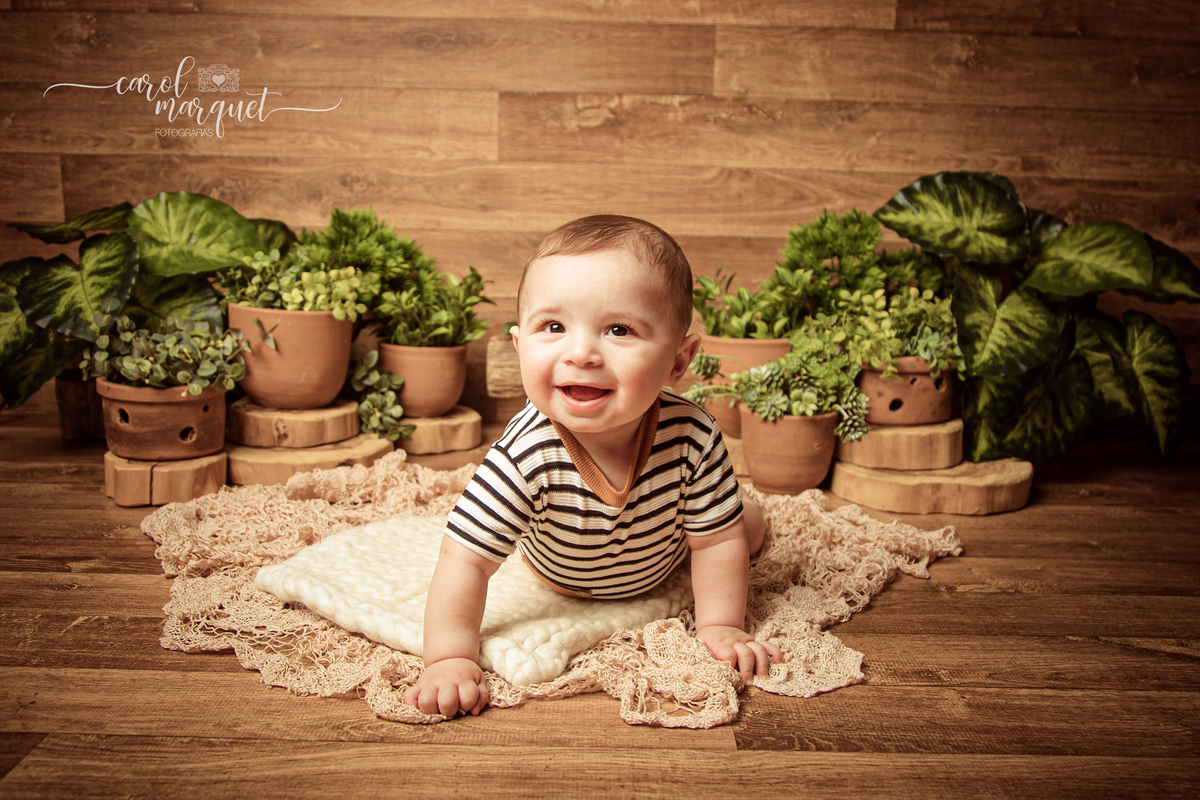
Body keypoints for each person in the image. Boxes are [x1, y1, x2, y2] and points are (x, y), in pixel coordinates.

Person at [403, 215, 782, 717]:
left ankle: (733, 511)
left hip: (661, 557)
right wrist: (448, 657)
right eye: (553, 327)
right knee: (476, 537)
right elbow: (465, 561)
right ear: (520, 346)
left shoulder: (694, 434)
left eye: (619, 329)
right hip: (559, 570)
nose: (581, 353)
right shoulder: (525, 455)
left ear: (677, 360)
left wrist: (720, 625)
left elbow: (713, 544)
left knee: (736, 530)